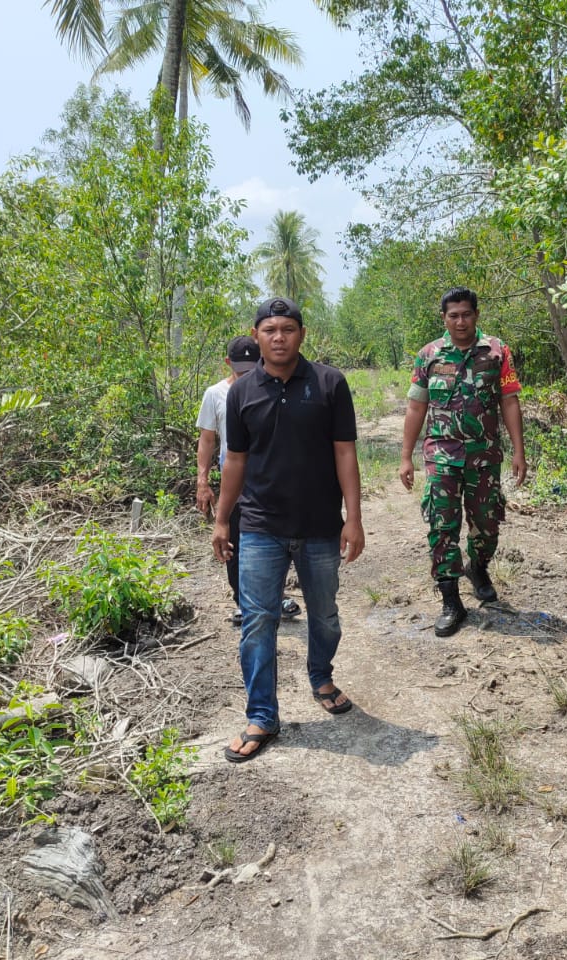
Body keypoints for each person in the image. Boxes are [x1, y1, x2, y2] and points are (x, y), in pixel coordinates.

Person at [212, 296, 366, 763]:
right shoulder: (241, 392)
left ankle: (321, 675)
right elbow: (235, 461)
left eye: (288, 329)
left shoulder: (329, 384)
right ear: (256, 335)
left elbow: (344, 453)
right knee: (257, 620)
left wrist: (354, 519)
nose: (279, 337)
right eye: (270, 329)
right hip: (260, 525)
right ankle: (262, 715)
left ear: (302, 334)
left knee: (324, 614)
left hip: (320, 524)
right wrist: (222, 518)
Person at [399, 287, 526, 637]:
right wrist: (406, 456)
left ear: (476, 315)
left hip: (484, 457)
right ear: (444, 318)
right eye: (453, 315)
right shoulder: (429, 355)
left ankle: (479, 567)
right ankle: (451, 599)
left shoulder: (497, 352)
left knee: (487, 524)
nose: (460, 321)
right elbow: (416, 407)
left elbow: (510, 402)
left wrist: (519, 451)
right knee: (442, 527)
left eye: (466, 314)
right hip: (441, 458)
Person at [195, 336, 301, 625]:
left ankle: (275, 597)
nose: (245, 374)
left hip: (271, 476)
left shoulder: (274, 389)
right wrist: (202, 481)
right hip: (235, 478)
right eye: (239, 369)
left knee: (276, 540)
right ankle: (243, 600)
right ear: (228, 363)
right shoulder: (215, 394)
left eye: (251, 368)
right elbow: (207, 440)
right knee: (235, 540)